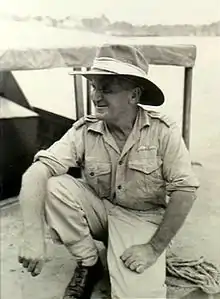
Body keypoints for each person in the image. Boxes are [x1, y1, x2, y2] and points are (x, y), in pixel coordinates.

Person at [18, 44, 199, 299]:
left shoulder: (162, 131)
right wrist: (33, 235)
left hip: (140, 218)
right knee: (51, 184)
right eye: (94, 87)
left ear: (134, 95)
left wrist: (153, 248)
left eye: (107, 89)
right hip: (99, 210)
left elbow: (185, 191)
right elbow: (35, 173)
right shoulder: (84, 130)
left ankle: (130, 254)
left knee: (137, 296)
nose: (96, 97)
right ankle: (89, 263)